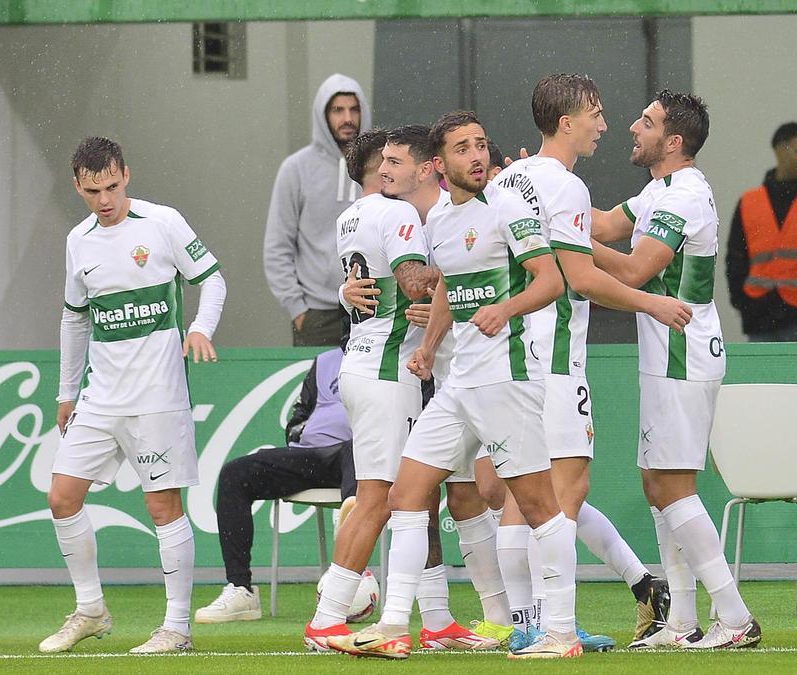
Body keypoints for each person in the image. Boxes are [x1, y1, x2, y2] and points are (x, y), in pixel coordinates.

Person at [331, 111, 580, 660]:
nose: (477, 156)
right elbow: (446, 286)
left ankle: (561, 633)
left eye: (482, 145)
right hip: (457, 385)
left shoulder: (508, 205)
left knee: (538, 505)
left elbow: (551, 279)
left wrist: (505, 309)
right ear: (441, 165)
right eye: (464, 148)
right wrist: (427, 345)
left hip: (506, 379)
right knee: (406, 495)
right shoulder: (440, 217)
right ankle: (394, 626)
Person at [491, 73, 685, 651]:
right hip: (554, 361)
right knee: (565, 493)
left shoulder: (513, 177)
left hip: (509, 358)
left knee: (522, 497)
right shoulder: (565, 187)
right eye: (595, 114)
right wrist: (651, 301)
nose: (604, 124)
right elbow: (580, 278)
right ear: (566, 121)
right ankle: (555, 627)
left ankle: (526, 626)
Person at [305, 129, 497, 653]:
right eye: (383, 162)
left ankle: (435, 619)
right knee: (379, 499)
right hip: (387, 371)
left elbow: (380, 286)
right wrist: (472, 272)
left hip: (375, 366)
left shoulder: (354, 216)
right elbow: (414, 283)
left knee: (417, 497)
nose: (387, 169)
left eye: (395, 160)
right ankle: (327, 617)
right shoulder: (399, 215)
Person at [590, 90, 761, 651]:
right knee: (655, 484)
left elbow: (635, 270)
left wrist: (563, 244)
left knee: (673, 484)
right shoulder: (659, 189)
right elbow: (605, 225)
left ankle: (734, 616)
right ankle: (682, 620)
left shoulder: (685, 196)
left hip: (683, 352)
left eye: (647, 122)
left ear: (674, 141)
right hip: (666, 354)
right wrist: (539, 195)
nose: (634, 128)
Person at [42, 136, 226, 654]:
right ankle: (90, 610)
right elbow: (74, 318)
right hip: (100, 398)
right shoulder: (78, 240)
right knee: (62, 497)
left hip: (158, 395)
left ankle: (177, 629)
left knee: (163, 506)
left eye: (113, 186)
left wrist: (199, 327)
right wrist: (66, 391)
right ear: (77, 186)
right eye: (93, 190)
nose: (105, 199)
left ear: (127, 174)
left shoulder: (162, 222)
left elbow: (212, 280)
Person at [194, 346, 355, 624]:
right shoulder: (326, 361)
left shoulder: (397, 354)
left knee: (355, 450)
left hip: (366, 456)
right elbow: (299, 416)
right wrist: (303, 435)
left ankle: (352, 570)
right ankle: (240, 589)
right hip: (314, 457)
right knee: (236, 474)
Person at [264, 74, 370, 346]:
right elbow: (278, 246)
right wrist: (297, 309)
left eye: (354, 109)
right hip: (317, 316)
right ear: (323, 115)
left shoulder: (380, 165)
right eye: (338, 110)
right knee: (318, 389)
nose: (347, 118)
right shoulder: (296, 169)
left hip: (371, 308)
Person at [726, 122, 797, 341]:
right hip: (758, 317)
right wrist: (742, 302)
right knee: (762, 376)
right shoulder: (749, 202)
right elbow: (735, 257)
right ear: (779, 151)